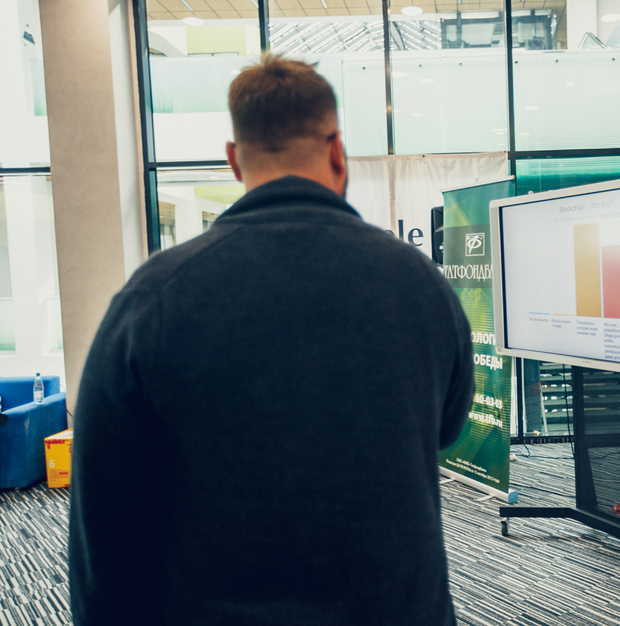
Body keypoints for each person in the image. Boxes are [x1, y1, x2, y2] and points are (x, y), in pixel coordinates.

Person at [69, 54, 473, 626]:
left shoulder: (151, 299)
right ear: (337, 150)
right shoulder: (421, 284)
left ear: (234, 159)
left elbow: (104, 515)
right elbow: (446, 428)